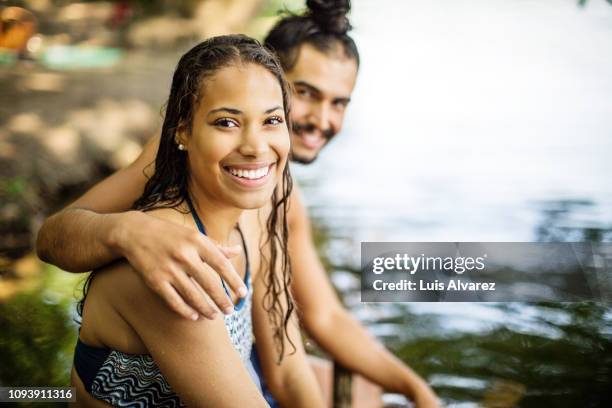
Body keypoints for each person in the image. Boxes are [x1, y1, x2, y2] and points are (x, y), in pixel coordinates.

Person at [38, 1, 440, 406]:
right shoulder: (177, 164)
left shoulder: (264, 205)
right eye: (305, 93)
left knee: (362, 391)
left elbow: (306, 338)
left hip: (232, 365)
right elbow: (53, 237)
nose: (320, 119)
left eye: (338, 103)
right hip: (181, 348)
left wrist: (416, 389)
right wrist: (127, 231)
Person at [71, 34, 324, 407]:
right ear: (183, 132)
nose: (255, 146)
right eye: (226, 122)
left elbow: (288, 368)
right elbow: (52, 235)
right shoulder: (170, 268)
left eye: (272, 119)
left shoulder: (253, 219)